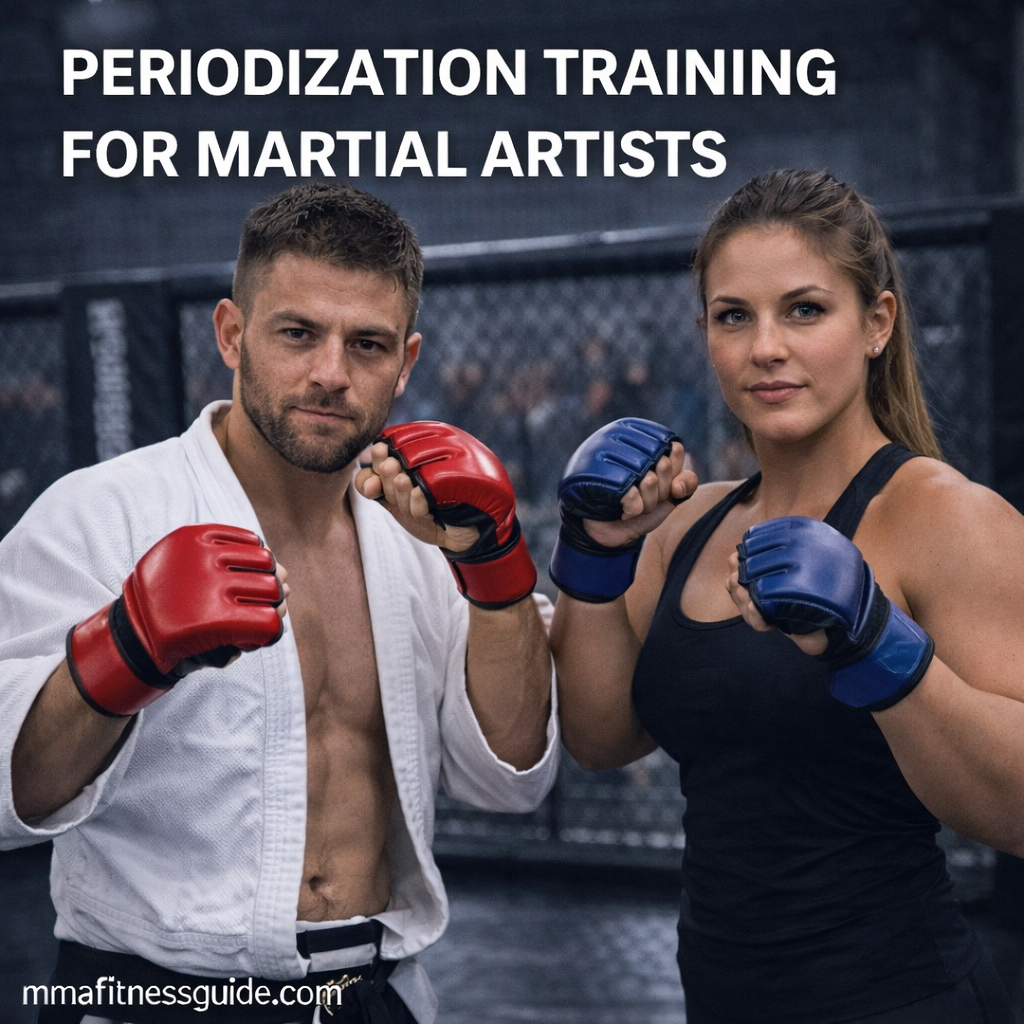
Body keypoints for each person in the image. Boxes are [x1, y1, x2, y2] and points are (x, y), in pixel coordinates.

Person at [0, 181, 558, 1024]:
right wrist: (121, 653)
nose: (331, 374)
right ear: (232, 334)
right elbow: (8, 795)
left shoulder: (424, 533)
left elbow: (512, 780)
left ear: (405, 363)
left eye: (366, 345)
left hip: (376, 992)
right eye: (298, 334)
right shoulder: (100, 513)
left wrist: (495, 565)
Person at [549, 169, 1024, 1023]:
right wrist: (593, 554)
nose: (766, 346)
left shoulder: (947, 519)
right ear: (707, 336)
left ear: (876, 323)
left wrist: (882, 646)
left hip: (903, 1000)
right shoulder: (683, 522)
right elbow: (598, 738)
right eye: (735, 316)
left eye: (804, 310)